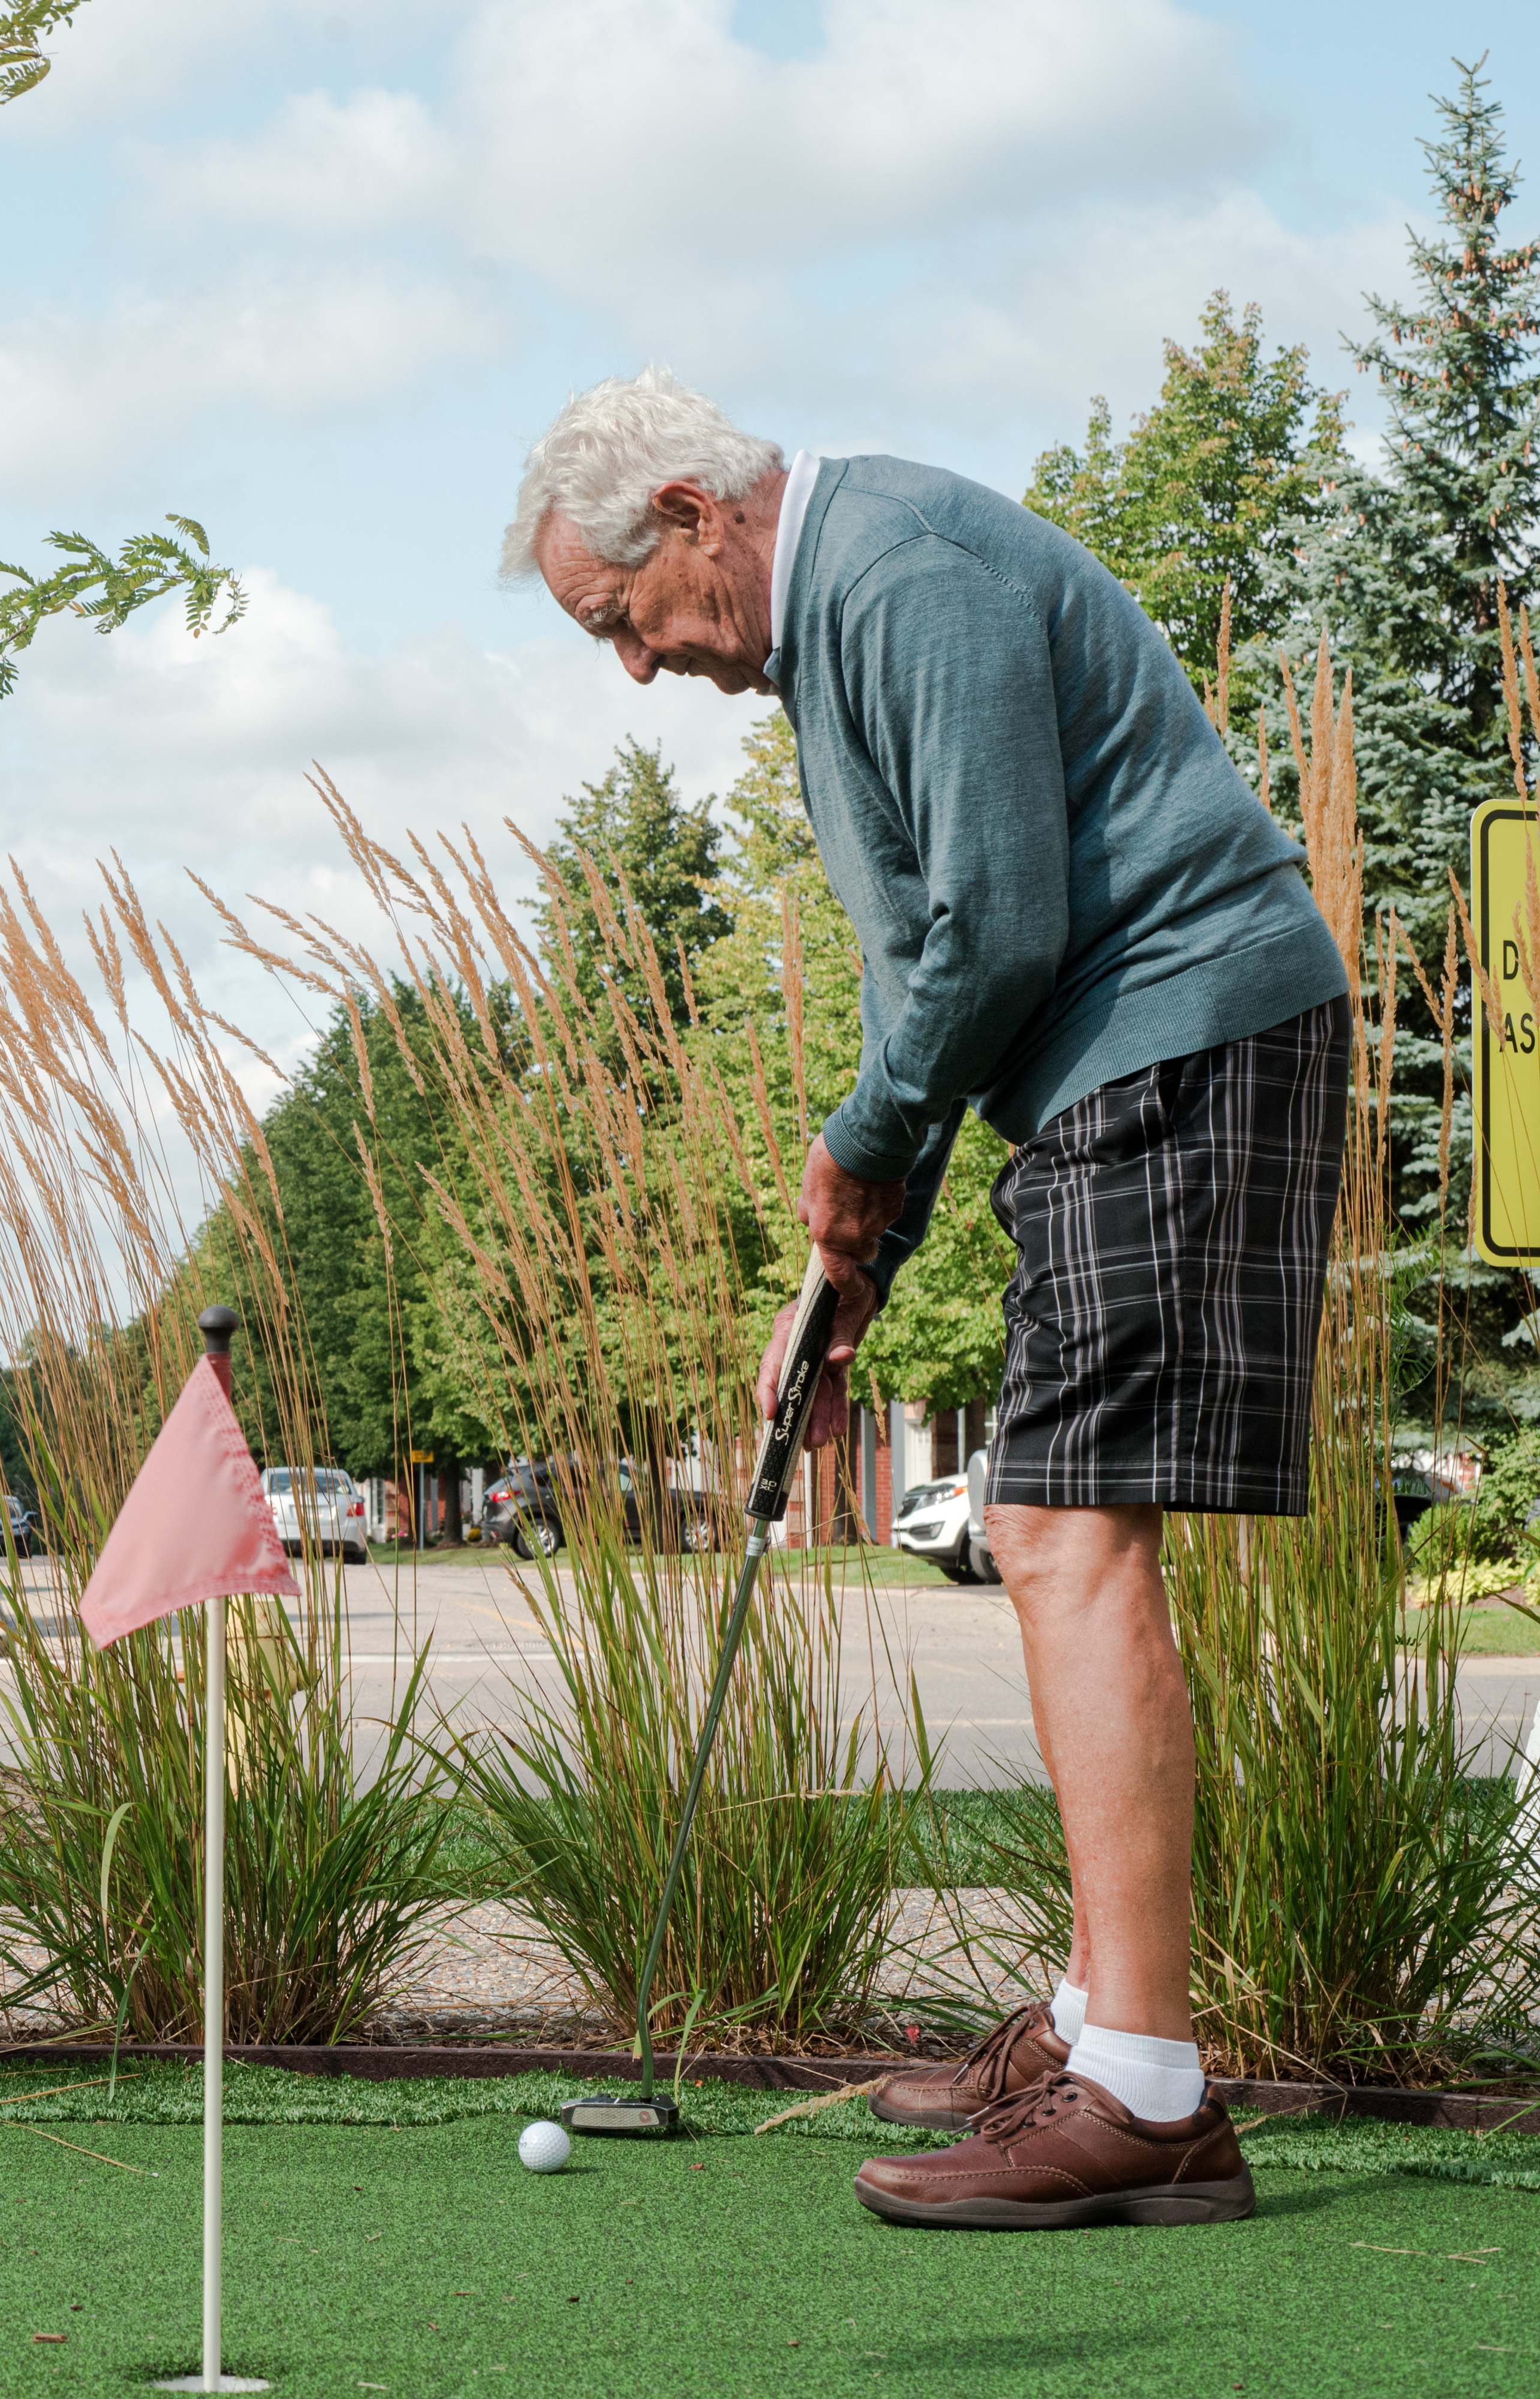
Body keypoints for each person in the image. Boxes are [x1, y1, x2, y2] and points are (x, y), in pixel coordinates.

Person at [500, 367, 1348, 2231]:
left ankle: (1141, 2089)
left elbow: (1008, 926)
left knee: (1057, 1528)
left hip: (1187, 1031)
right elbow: (942, 985)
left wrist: (866, 1136)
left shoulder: (899, 572)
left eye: (618, 620)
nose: (631, 667)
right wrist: (853, 1257)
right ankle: (1098, 2028)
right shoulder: (834, 640)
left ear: (696, 523)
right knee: (1061, 1524)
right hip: (1125, 1064)